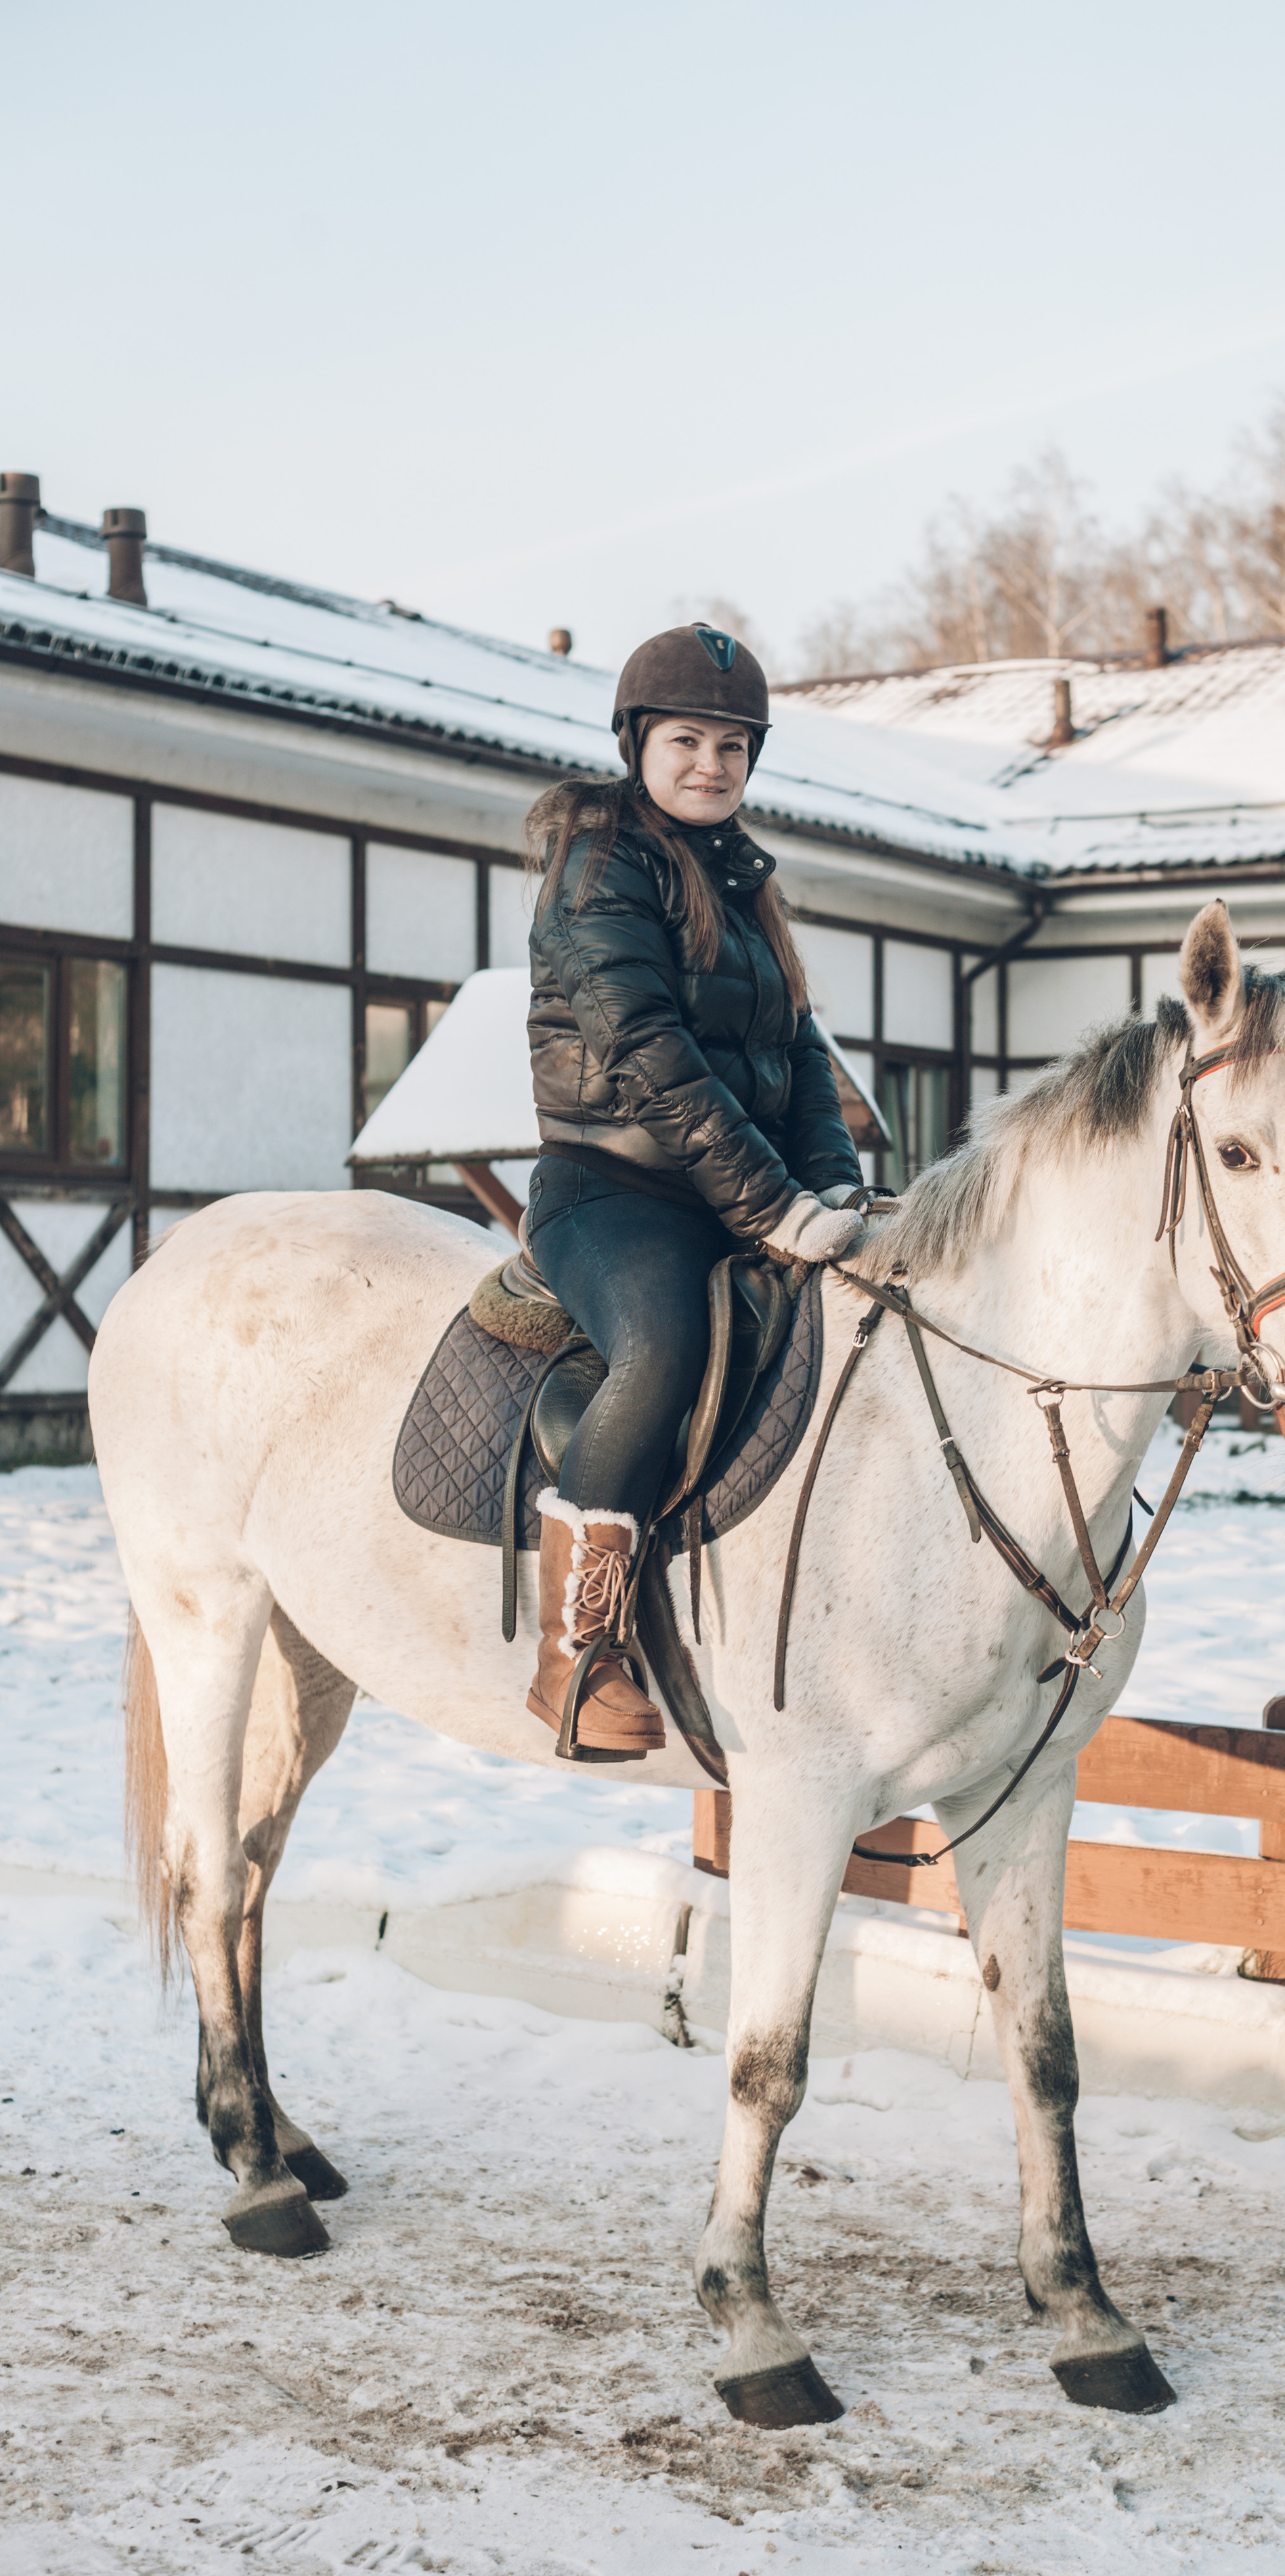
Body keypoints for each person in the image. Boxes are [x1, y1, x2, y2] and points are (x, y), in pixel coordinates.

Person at [519, 623, 864, 1760]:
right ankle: (577, 1650)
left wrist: (837, 1187)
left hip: (734, 1184)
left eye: (731, 745)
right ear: (638, 745)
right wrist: (771, 1209)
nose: (710, 764)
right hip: (611, 1186)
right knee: (661, 1346)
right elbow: (645, 1049)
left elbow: (801, 1054)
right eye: (686, 740)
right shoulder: (598, 865)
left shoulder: (741, 878)